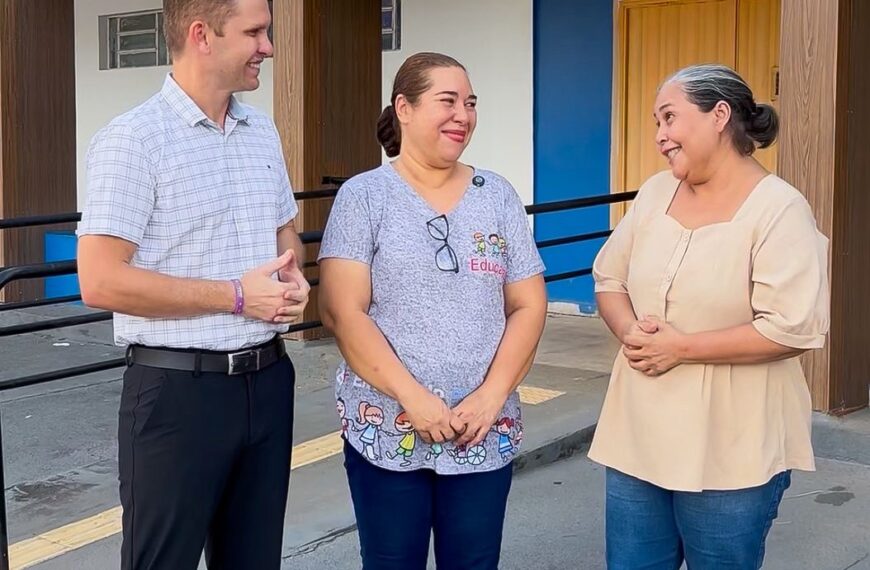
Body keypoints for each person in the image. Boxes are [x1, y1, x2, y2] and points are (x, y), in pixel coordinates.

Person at [76, 1, 308, 568]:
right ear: (202, 35)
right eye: (255, 32)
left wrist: (291, 278)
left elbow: (286, 238)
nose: (268, 47)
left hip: (268, 382)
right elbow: (100, 280)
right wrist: (234, 295)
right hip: (177, 395)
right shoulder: (133, 140)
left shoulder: (263, 132)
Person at [590, 63, 830, 569]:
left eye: (669, 118)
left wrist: (680, 347)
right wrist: (632, 330)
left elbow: (792, 327)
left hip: (732, 447)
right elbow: (609, 279)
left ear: (719, 115)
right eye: (657, 122)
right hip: (638, 437)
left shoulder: (780, 210)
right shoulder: (656, 193)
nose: (660, 136)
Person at [317, 52, 547, 569]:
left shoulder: (498, 197)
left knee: (474, 561)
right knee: (391, 560)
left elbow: (529, 303)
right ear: (404, 107)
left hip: (482, 428)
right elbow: (342, 312)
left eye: (470, 103)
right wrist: (411, 397)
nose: (462, 115)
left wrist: (492, 396)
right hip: (389, 428)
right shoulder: (364, 197)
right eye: (447, 101)